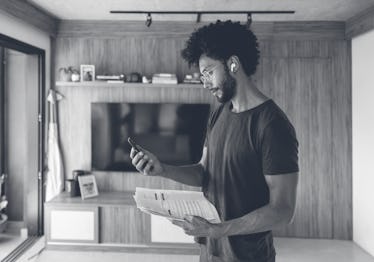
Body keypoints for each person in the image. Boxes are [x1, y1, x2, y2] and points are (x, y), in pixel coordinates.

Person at [130, 20, 299, 262]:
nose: (204, 82)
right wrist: (163, 169)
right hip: (210, 250)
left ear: (233, 64)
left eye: (209, 72)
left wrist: (218, 229)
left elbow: (283, 211)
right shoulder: (219, 113)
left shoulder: (272, 125)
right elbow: (204, 172)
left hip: (248, 256)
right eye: (202, 75)